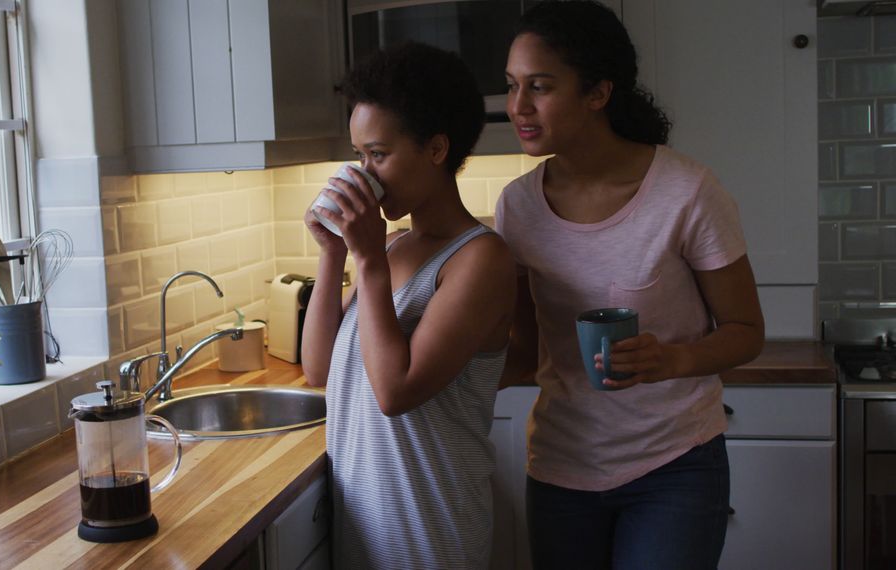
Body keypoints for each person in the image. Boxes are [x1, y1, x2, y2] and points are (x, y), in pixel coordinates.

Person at [494, 2, 766, 569]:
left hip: (675, 466)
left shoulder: (686, 192)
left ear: (597, 93)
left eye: (539, 87)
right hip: (560, 467)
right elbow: (522, 351)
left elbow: (745, 333)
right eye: (512, 85)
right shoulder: (517, 206)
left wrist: (670, 359)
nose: (518, 107)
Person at [301, 42, 516, 569]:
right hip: (365, 531)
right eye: (358, 157)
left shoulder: (479, 259)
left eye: (378, 155)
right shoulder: (392, 246)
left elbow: (395, 392)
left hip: (431, 533)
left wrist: (367, 260)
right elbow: (318, 369)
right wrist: (333, 253)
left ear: (437, 149)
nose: (365, 174)